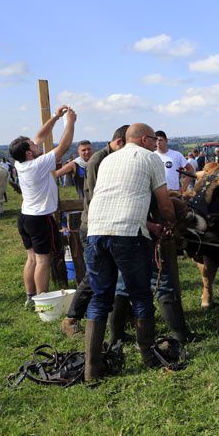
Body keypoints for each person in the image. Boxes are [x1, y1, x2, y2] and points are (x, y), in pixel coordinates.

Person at [83, 123, 177, 380]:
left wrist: (148, 225)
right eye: (153, 140)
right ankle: (148, 356)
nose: (155, 144)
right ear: (146, 139)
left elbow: (117, 200)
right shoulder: (150, 159)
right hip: (128, 237)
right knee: (141, 296)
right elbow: (164, 202)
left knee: (100, 298)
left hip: (95, 233)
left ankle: (91, 370)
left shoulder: (108, 161)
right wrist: (169, 223)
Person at [61, 125, 128, 339]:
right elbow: (95, 197)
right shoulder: (98, 161)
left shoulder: (113, 158)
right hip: (94, 227)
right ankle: (71, 319)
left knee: (116, 275)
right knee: (95, 276)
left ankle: (121, 318)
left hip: (110, 225)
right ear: (119, 142)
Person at [9, 105, 77, 307]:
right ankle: (43, 301)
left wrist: (55, 117)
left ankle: (30, 296)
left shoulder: (20, 162)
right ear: (29, 153)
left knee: (31, 259)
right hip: (40, 219)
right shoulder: (37, 165)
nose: (37, 144)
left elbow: (39, 135)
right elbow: (64, 146)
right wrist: (70, 122)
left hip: (26, 218)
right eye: (33, 145)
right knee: (43, 261)